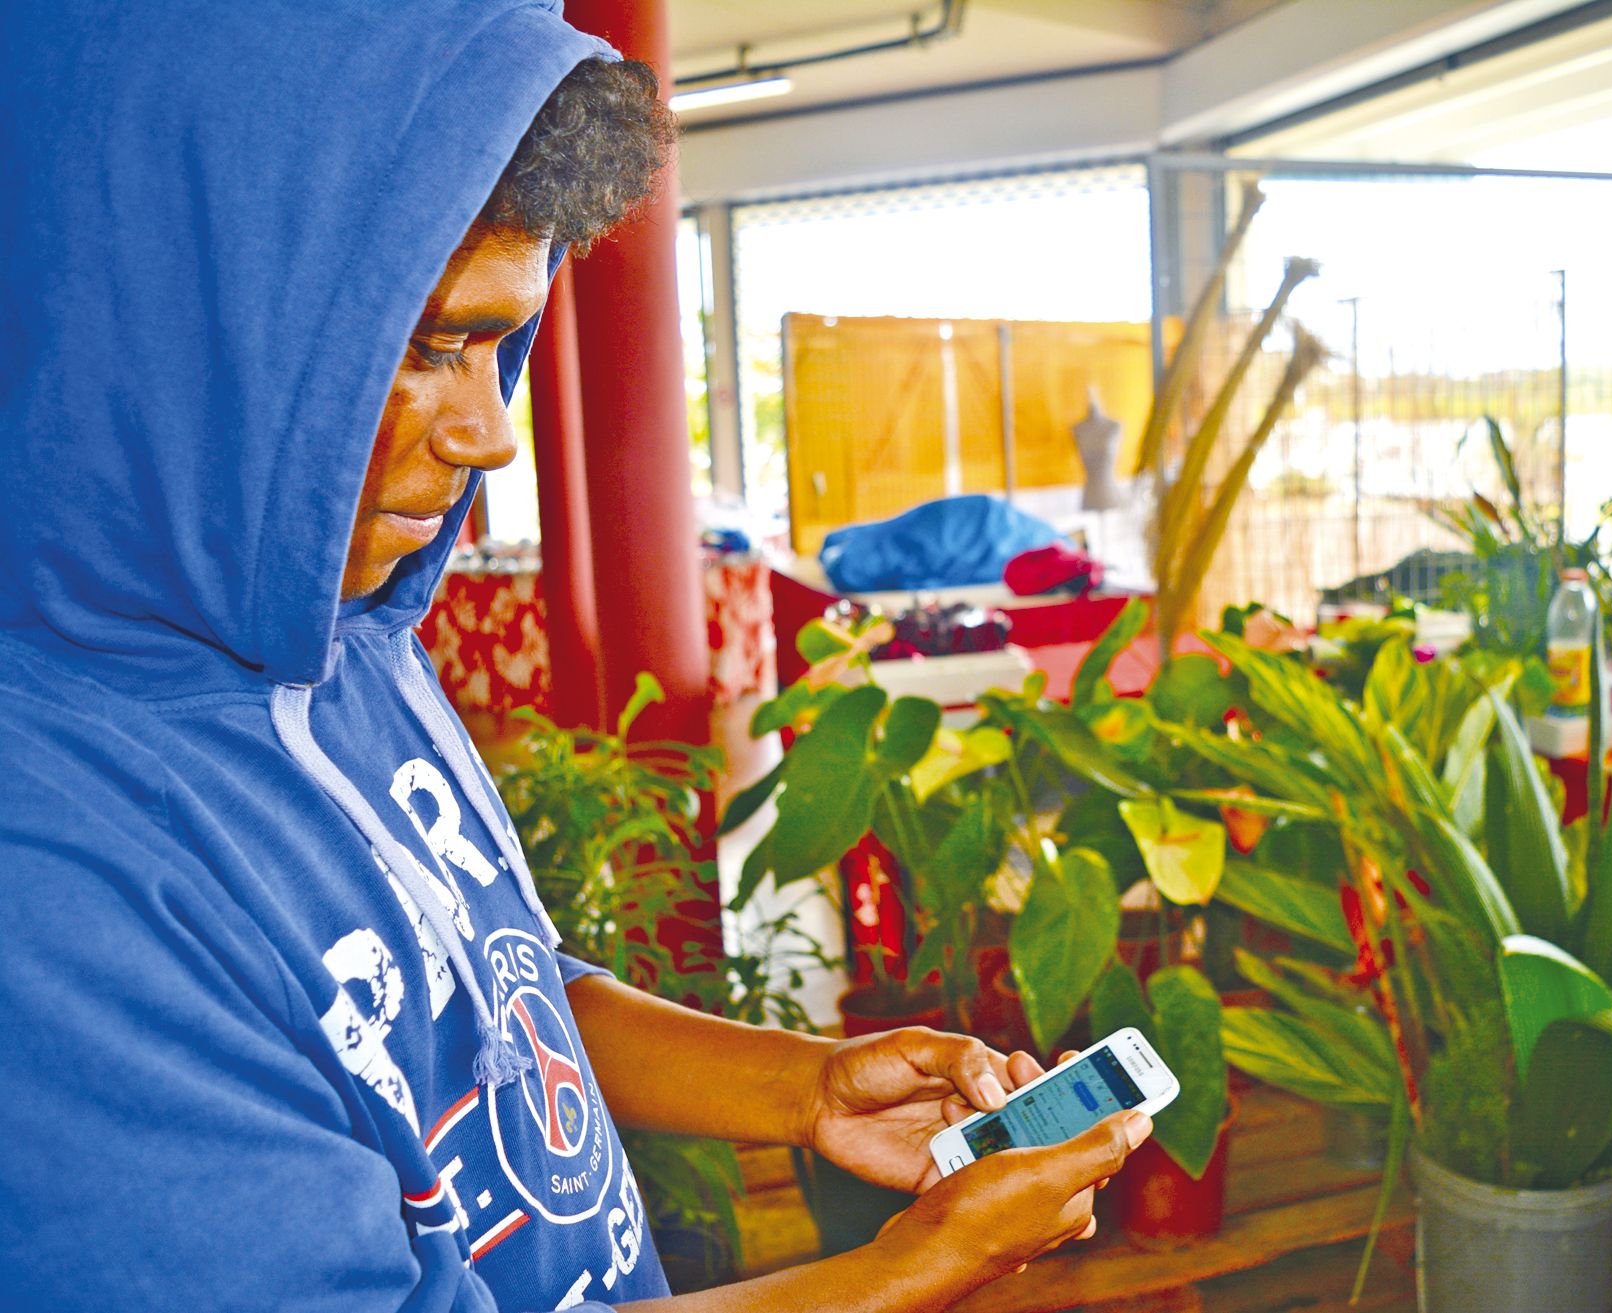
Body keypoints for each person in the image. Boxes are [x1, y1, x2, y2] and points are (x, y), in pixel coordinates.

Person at [0, 4, 1149, 1310]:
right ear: (183, 329)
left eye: (503, 343)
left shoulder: (345, 639)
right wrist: (922, 1264)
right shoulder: (45, 877)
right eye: (429, 346)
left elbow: (499, 999)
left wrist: (805, 1086)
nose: (489, 432)